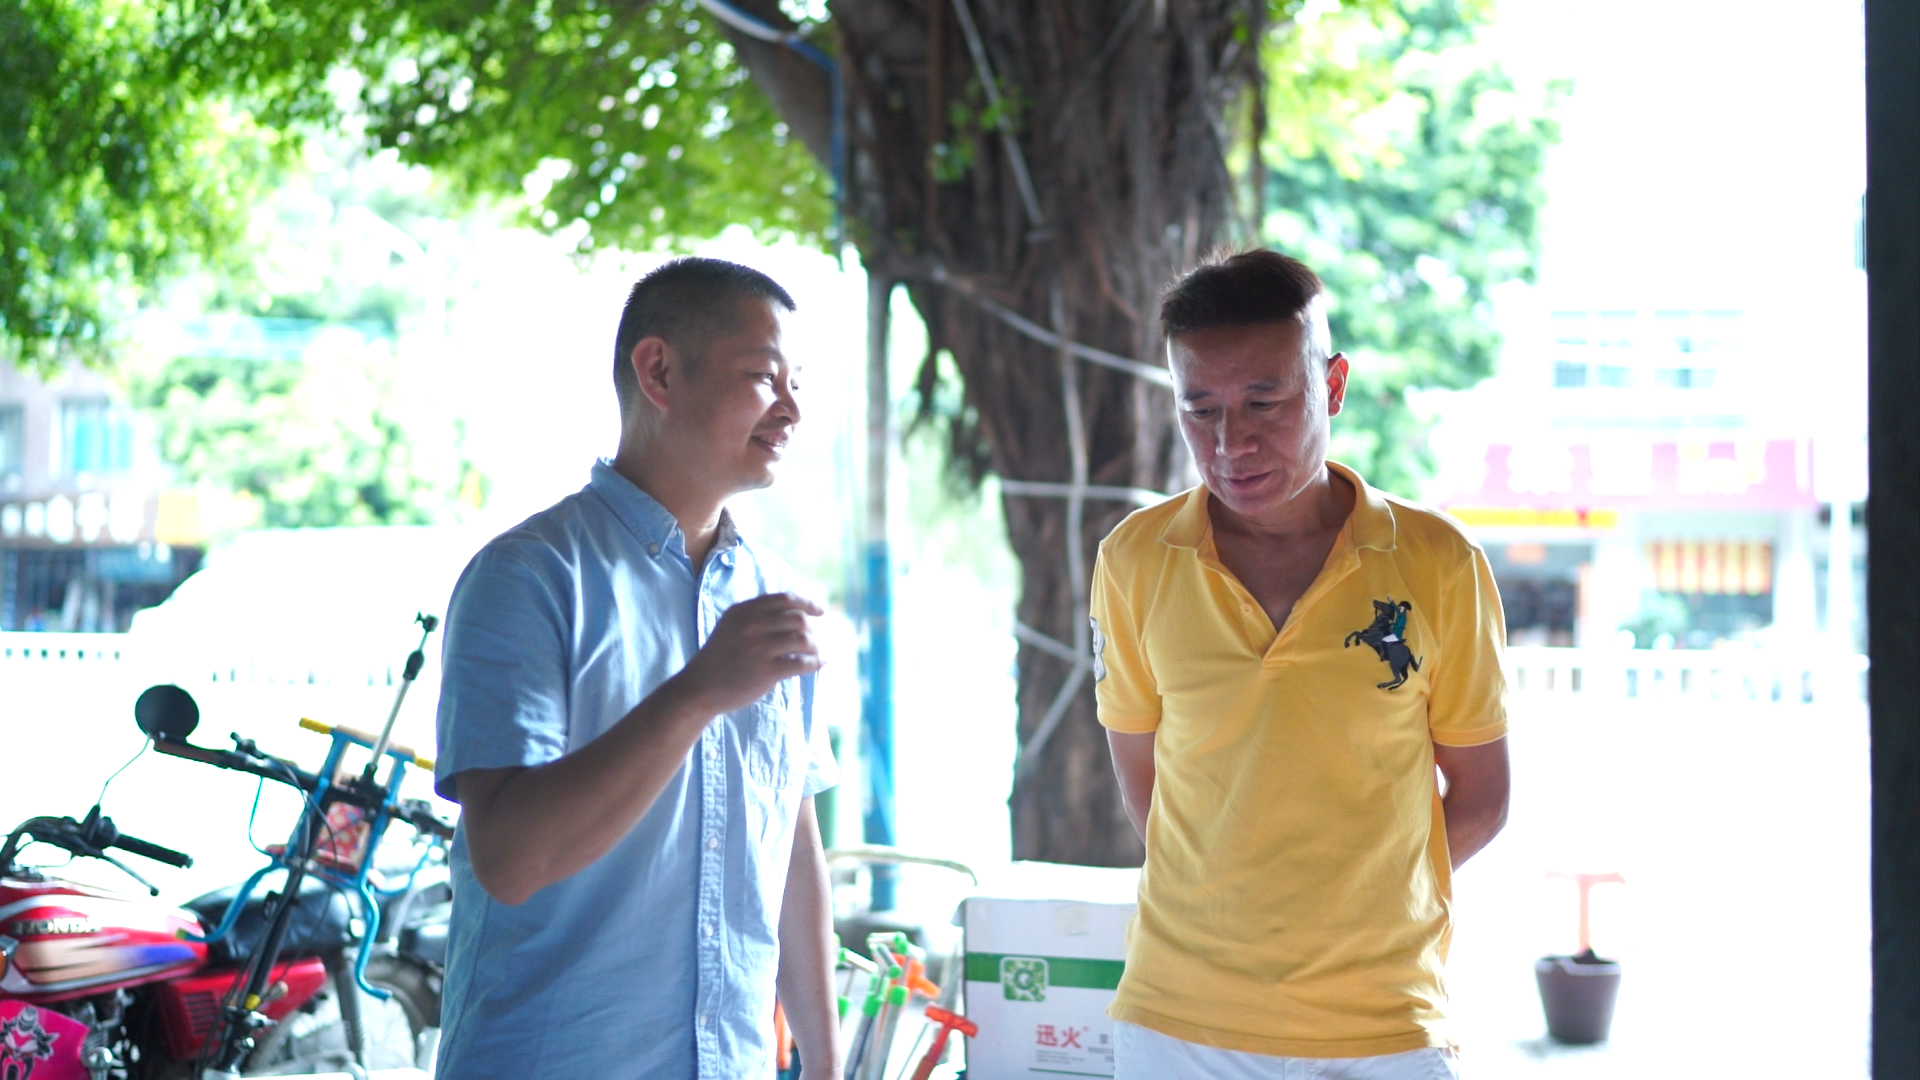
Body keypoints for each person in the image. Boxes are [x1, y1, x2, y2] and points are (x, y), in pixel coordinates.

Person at [1092, 249, 1511, 1079]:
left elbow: (1483, 796)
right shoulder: (1135, 558)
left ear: (1333, 384)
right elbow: (1146, 785)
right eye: (1200, 409)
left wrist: (1355, 906)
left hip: (1385, 1024)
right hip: (1181, 1021)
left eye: (1265, 401)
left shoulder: (1438, 561)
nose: (1231, 442)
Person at [431, 257, 841, 1078]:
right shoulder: (528, 577)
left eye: (798, 384)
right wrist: (696, 694)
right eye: (765, 377)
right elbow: (510, 860)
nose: (792, 409)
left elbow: (793, 853)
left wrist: (830, 1069)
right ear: (658, 372)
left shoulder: (775, 598)